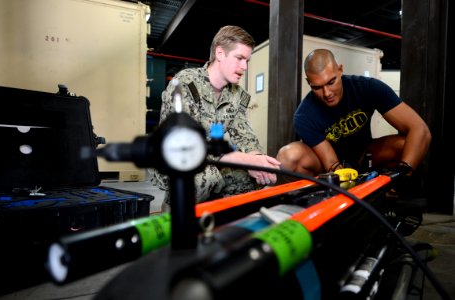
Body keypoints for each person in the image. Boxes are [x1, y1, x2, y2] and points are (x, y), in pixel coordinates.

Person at [148, 25, 281, 211]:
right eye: (240, 58)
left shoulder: (237, 95)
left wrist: (258, 159)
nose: (244, 67)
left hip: (210, 158)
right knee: (205, 177)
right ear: (220, 53)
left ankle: (220, 221)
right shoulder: (185, 83)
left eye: (247, 60)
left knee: (245, 177)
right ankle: (173, 213)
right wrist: (245, 159)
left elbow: (245, 136)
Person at [276, 48, 431, 182]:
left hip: (366, 154)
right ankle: (319, 201)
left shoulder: (368, 88)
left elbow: (420, 129)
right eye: (317, 87)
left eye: (331, 82)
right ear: (308, 82)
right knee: (288, 157)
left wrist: (403, 173)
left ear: (340, 70)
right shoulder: (304, 115)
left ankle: (390, 190)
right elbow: (331, 162)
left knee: (409, 145)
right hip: (326, 165)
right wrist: (340, 175)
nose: (327, 93)